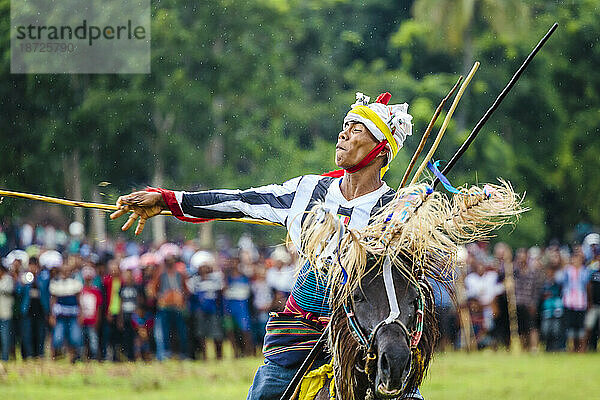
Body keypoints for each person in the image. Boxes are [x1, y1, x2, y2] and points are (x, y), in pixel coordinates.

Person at [110, 91, 423, 399]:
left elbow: (409, 280)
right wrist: (167, 200)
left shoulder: (396, 209)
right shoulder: (307, 190)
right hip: (301, 332)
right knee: (264, 392)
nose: (343, 134)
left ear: (381, 150)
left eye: (356, 130)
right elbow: (239, 201)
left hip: (366, 331)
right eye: (345, 126)